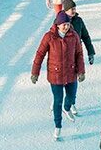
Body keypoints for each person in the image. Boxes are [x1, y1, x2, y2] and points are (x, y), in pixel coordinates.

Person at [31, 11, 86, 141]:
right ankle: (58, 125)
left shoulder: (74, 36)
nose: (66, 27)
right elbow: (40, 54)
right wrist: (35, 72)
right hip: (55, 75)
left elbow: (79, 54)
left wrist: (81, 71)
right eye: (63, 25)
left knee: (71, 97)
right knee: (58, 100)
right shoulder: (49, 37)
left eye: (67, 24)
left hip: (71, 73)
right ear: (57, 24)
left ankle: (67, 108)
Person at [61, 0, 95, 115]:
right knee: (64, 81)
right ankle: (61, 101)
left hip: (76, 54)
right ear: (65, 10)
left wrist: (91, 52)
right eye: (71, 9)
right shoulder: (60, 22)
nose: (74, 10)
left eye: (74, 8)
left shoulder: (79, 21)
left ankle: (71, 102)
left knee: (74, 82)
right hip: (64, 56)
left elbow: (85, 36)